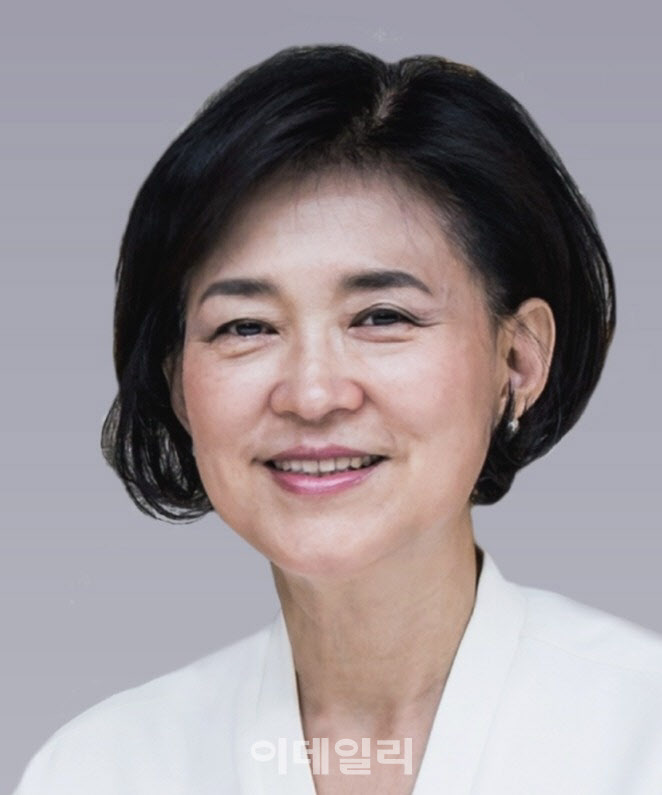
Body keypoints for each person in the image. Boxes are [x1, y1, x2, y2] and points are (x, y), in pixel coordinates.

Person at [14, 44, 662, 794]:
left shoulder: (642, 736)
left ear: (516, 361)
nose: (312, 394)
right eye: (245, 327)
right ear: (179, 386)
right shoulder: (99, 770)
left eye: (382, 316)